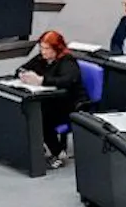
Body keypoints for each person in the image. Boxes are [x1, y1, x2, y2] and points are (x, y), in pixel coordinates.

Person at [16, 29, 87, 168]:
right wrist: (23, 74)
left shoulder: (67, 61)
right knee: (27, 109)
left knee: (41, 116)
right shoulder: (41, 59)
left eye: (47, 49)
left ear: (57, 49)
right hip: (49, 100)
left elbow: (67, 81)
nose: (43, 52)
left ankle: (57, 152)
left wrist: (42, 80)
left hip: (68, 104)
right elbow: (21, 68)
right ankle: (39, 147)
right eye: (41, 48)